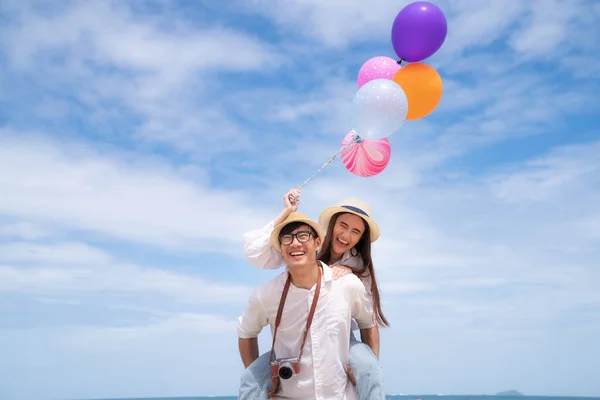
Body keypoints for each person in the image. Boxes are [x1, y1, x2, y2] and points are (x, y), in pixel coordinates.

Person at [240, 189, 388, 400]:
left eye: (356, 231)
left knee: (369, 369)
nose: (346, 236)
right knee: (251, 380)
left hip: (339, 336)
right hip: (294, 337)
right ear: (331, 225)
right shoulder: (303, 244)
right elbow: (254, 251)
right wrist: (287, 212)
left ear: (362, 237)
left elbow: (367, 321)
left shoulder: (356, 271)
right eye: (343, 226)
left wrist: (368, 367)